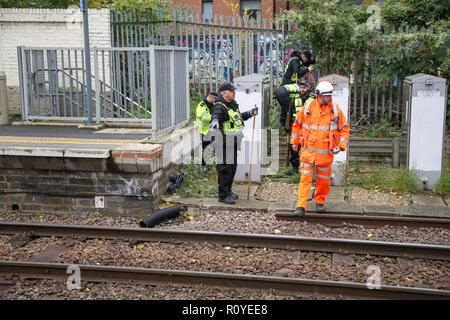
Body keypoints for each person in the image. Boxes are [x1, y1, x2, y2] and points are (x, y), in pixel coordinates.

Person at [290, 81, 350, 216]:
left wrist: (341, 146)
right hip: (308, 152)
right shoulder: (308, 107)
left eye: (330, 96)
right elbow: (297, 124)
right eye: (326, 96)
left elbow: (344, 128)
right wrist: (294, 141)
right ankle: (301, 205)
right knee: (305, 179)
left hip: (325, 155)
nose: (329, 98)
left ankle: (320, 201)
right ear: (318, 95)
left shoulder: (335, 110)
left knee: (323, 181)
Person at [209, 82, 258, 204]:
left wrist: (250, 113)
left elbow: (237, 118)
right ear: (224, 93)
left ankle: (228, 191)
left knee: (232, 168)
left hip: (233, 142)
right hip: (224, 143)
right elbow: (216, 116)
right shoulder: (220, 106)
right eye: (232, 91)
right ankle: (223, 195)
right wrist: (214, 122)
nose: (234, 92)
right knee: (225, 169)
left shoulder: (232, 104)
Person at [284, 80, 315, 175]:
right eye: (301, 87)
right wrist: (287, 125)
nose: (302, 89)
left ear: (308, 88)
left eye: (304, 87)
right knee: (294, 147)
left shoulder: (313, 99)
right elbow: (289, 112)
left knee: (309, 147)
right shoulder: (295, 99)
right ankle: (295, 168)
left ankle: (309, 168)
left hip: (309, 128)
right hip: (296, 127)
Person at [195, 91, 219, 164]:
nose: (215, 101)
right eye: (215, 99)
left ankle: (208, 163)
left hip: (211, 131)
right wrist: (215, 117)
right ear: (211, 97)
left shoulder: (212, 104)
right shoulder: (201, 106)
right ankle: (203, 166)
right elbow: (205, 118)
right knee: (205, 149)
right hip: (203, 131)